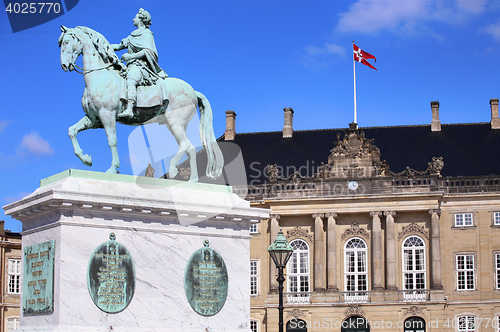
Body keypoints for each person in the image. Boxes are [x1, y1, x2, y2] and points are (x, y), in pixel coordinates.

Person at [111, 8, 167, 118]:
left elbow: (149, 51)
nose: (133, 19)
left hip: (141, 67)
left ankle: (130, 108)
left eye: (135, 17)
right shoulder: (132, 36)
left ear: (141, 19)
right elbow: (118, 46)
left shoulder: (147, 34)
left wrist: (130, 56)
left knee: (131, 77)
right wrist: (103, 45)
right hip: (130, 66)